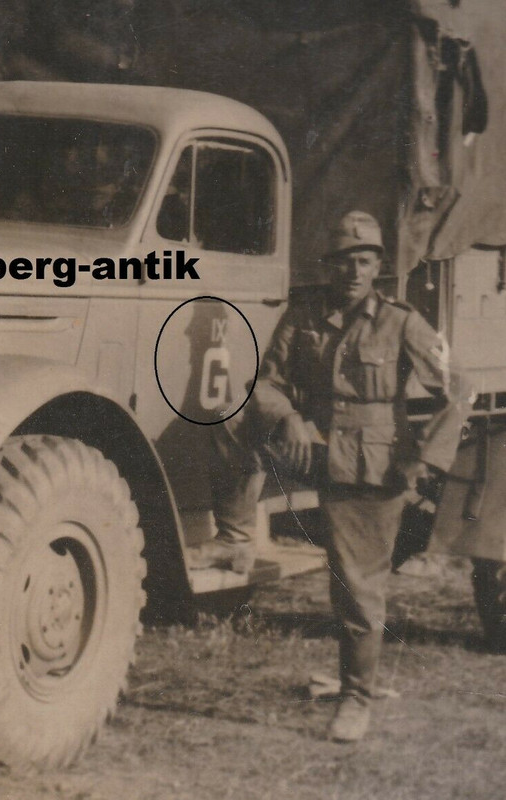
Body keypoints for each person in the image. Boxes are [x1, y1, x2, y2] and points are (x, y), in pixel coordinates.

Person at [194, 210, 471, 742]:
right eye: (344, 261)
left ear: (378, 267)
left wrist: (426, 463)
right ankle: (235, 539)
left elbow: (460, 388)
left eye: (364, 260)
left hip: (371, 461)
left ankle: (355, 699)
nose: (353, 270)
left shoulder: (402, 321)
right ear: (330, 265)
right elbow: (266, 384)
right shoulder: (304, 314)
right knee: (230, 417)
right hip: (311, 445)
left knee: (355, 588)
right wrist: (289, 417)